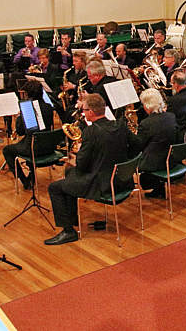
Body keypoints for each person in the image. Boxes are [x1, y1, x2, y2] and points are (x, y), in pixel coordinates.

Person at [45, 93, 130, 245]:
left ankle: (68, 231)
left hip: (103, 184)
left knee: (55, 187)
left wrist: (78, 152)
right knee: (70, 173)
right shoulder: (120, 126)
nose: (83, 113)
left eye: (83, 110)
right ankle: (72, 219)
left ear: (91, 112)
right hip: (122, 180)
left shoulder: (91, 132)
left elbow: (82, 164)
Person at [2, 80, 55, 190]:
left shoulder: (27, 109)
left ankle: (25, 181)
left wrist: (19, 117)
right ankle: (31, 174)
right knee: (28, 141)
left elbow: (20, 132)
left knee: (7, 150)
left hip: (33, 147)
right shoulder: (49, 107)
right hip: (48, 145)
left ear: (28, 94)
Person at [129, 89, 177, 199]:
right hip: (170, 158)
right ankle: (158, 189)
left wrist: (132, 136)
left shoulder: (146, 123)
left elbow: (139, 146)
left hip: (154, 163)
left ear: (147, 106)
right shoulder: (171, 116)